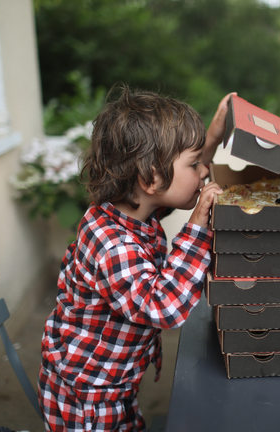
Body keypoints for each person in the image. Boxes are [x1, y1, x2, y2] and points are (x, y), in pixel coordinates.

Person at [37, 86, 236, 432]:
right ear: (150, 179)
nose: (204, 172)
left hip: (114, 381)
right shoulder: (111, 244)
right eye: (194, 164)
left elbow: (175, 183)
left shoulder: (129, 213)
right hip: (88, 398)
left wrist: (214, 138)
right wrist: (198, 226)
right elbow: (162, 306)